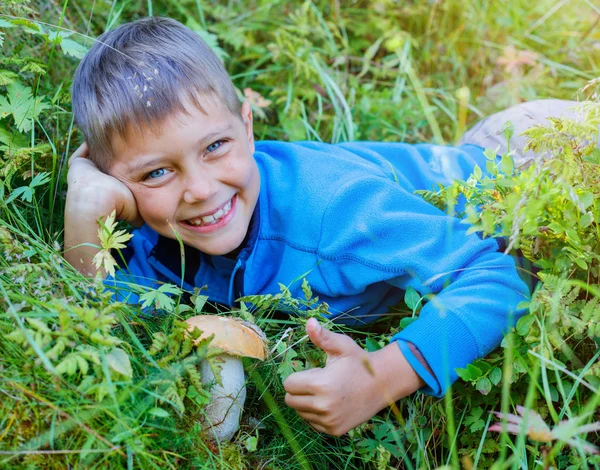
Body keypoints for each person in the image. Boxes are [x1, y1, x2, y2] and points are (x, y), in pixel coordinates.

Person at [65, 17, 578, 436]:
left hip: (533, 166)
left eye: (214, 147)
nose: (198, 189)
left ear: (247, 127)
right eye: (157, 172)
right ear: (120, 184)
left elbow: (498, 276)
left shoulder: (338, 210)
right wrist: (84, 216)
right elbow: (105, 329)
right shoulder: (154, 241)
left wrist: (381, 378)